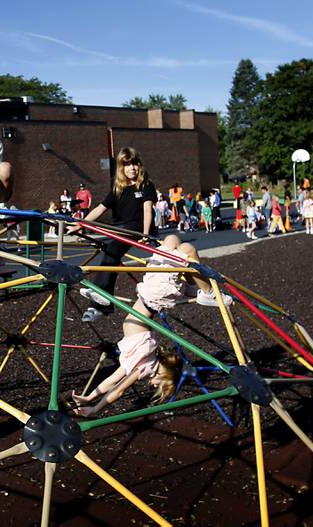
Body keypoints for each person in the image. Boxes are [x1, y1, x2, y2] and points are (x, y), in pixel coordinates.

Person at [70, 235, 231, 418]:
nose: (153, 385)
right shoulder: (145, 367)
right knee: (185, 251)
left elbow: (111, 382)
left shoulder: (134, 364)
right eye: (160, 384)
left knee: (176, 243)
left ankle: (196, 286)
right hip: (155, 295)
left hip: (151, 294)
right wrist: (94, 409)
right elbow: (119, 391)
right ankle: (207, 292)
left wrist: (90, 397)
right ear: (165, 374)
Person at [69, 147, 156, 323]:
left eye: (135, 164)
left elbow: (148, 209)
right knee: (110, 255)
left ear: (140, 165)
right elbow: (100, 208)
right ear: (121, 168)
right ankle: (101, 303)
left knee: (112, 250)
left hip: (137, 228)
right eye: (127, 165)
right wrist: (80, 224)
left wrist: (146, 234)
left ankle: (100, 296)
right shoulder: (118, 188)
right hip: (121, 228)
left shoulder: (146, 185)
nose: (132, 168)